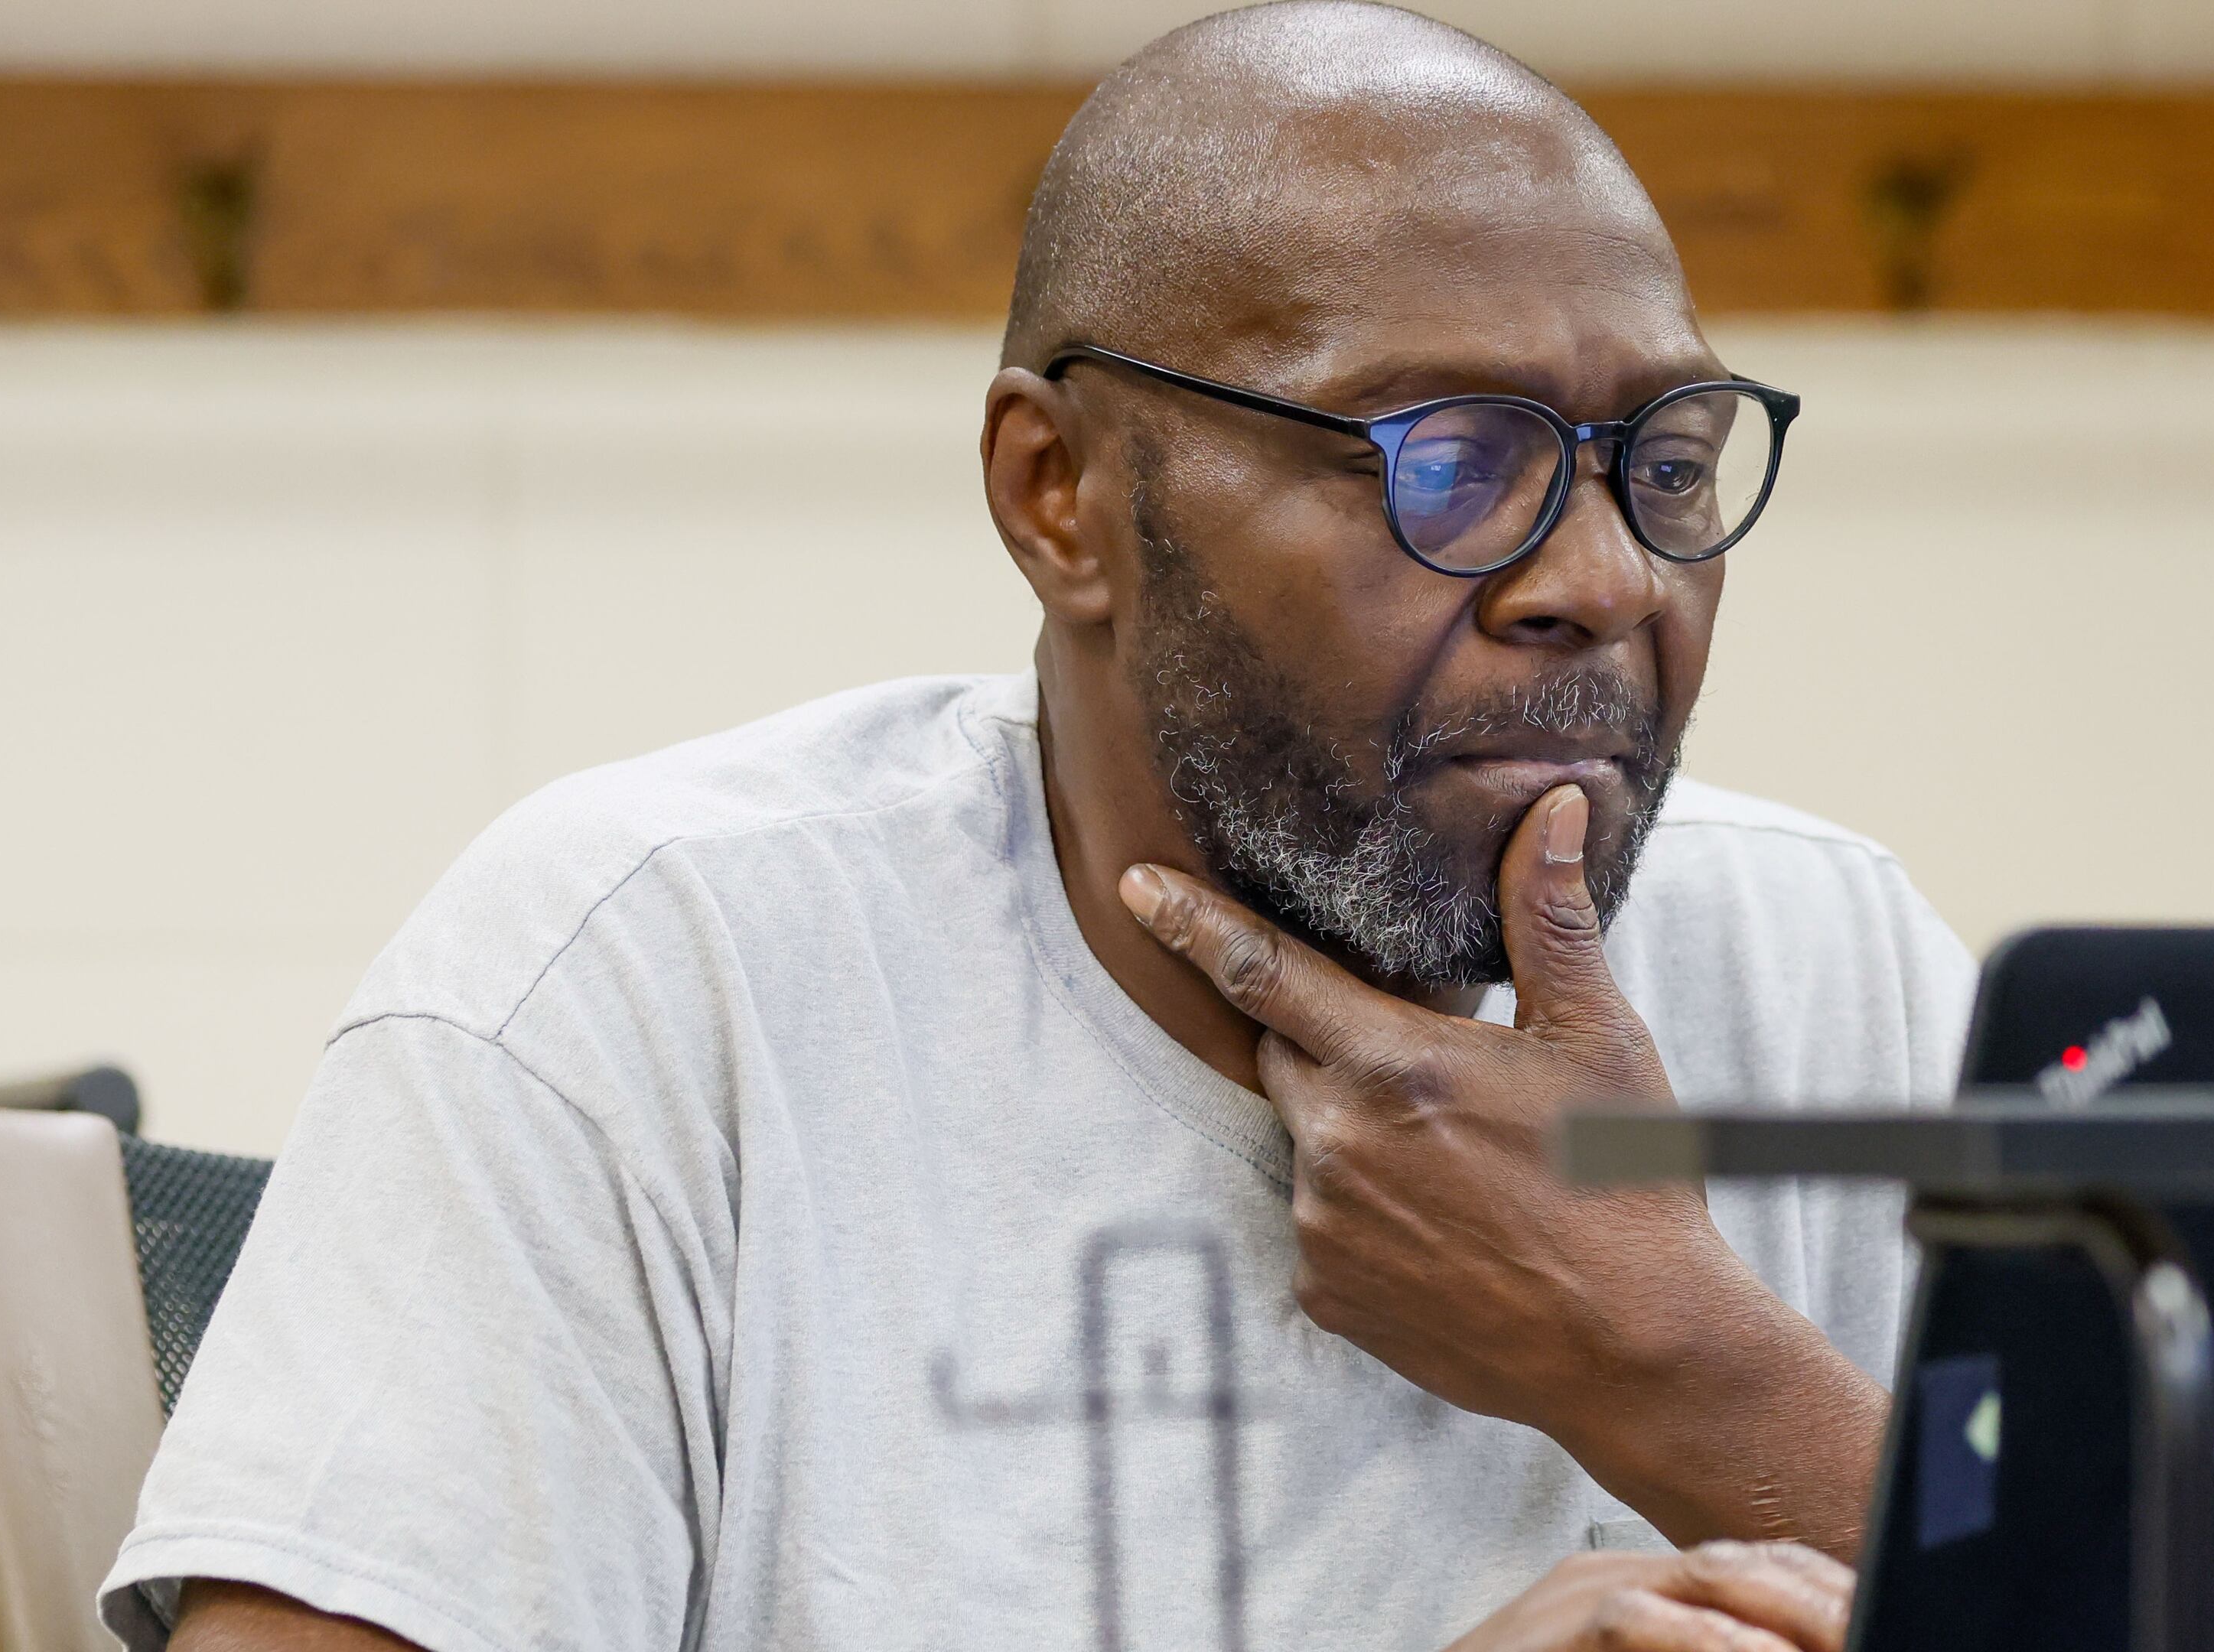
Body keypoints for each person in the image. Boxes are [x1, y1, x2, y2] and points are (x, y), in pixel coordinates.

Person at [106, 5, 1975, 1649]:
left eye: (1665, 465)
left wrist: (1691, 1373)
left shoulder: (1832, 966)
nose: (1602, 580)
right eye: (1449, 461)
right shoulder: (653, 974)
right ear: (1060, 494)